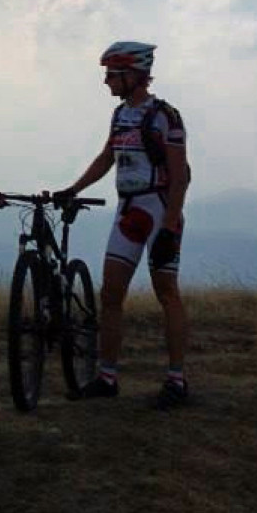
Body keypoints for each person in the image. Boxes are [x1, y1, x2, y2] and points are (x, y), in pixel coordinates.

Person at [53, 42, 190, 408]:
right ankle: (107, 376)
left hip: (160, 208)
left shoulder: (166, 116)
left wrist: (171, 224)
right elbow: (106, 158)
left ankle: (177, 380)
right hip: (129, 210)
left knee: (167, 293)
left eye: (112, 75)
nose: (106, 82)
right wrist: (73, 189)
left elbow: (180, 176)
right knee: (110, 294)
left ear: (134, 75)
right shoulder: (119, 116)